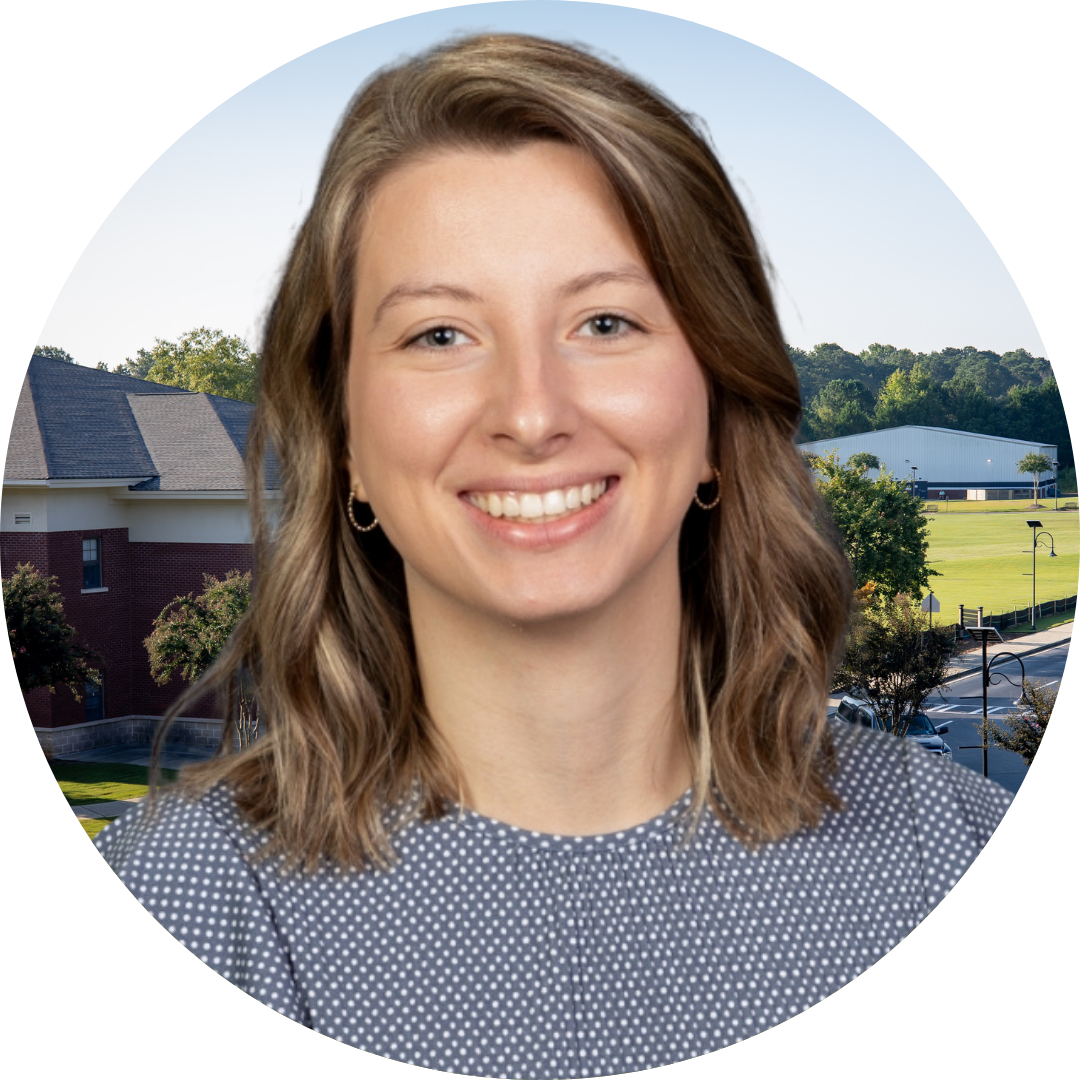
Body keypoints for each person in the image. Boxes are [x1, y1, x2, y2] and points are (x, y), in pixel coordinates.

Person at [95, 34, 1012, 1073]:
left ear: (715, 400)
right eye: (440, 335)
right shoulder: (194, 899)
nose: (531, 416)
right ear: (344, 441)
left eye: (606, 321)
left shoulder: (952, 849)